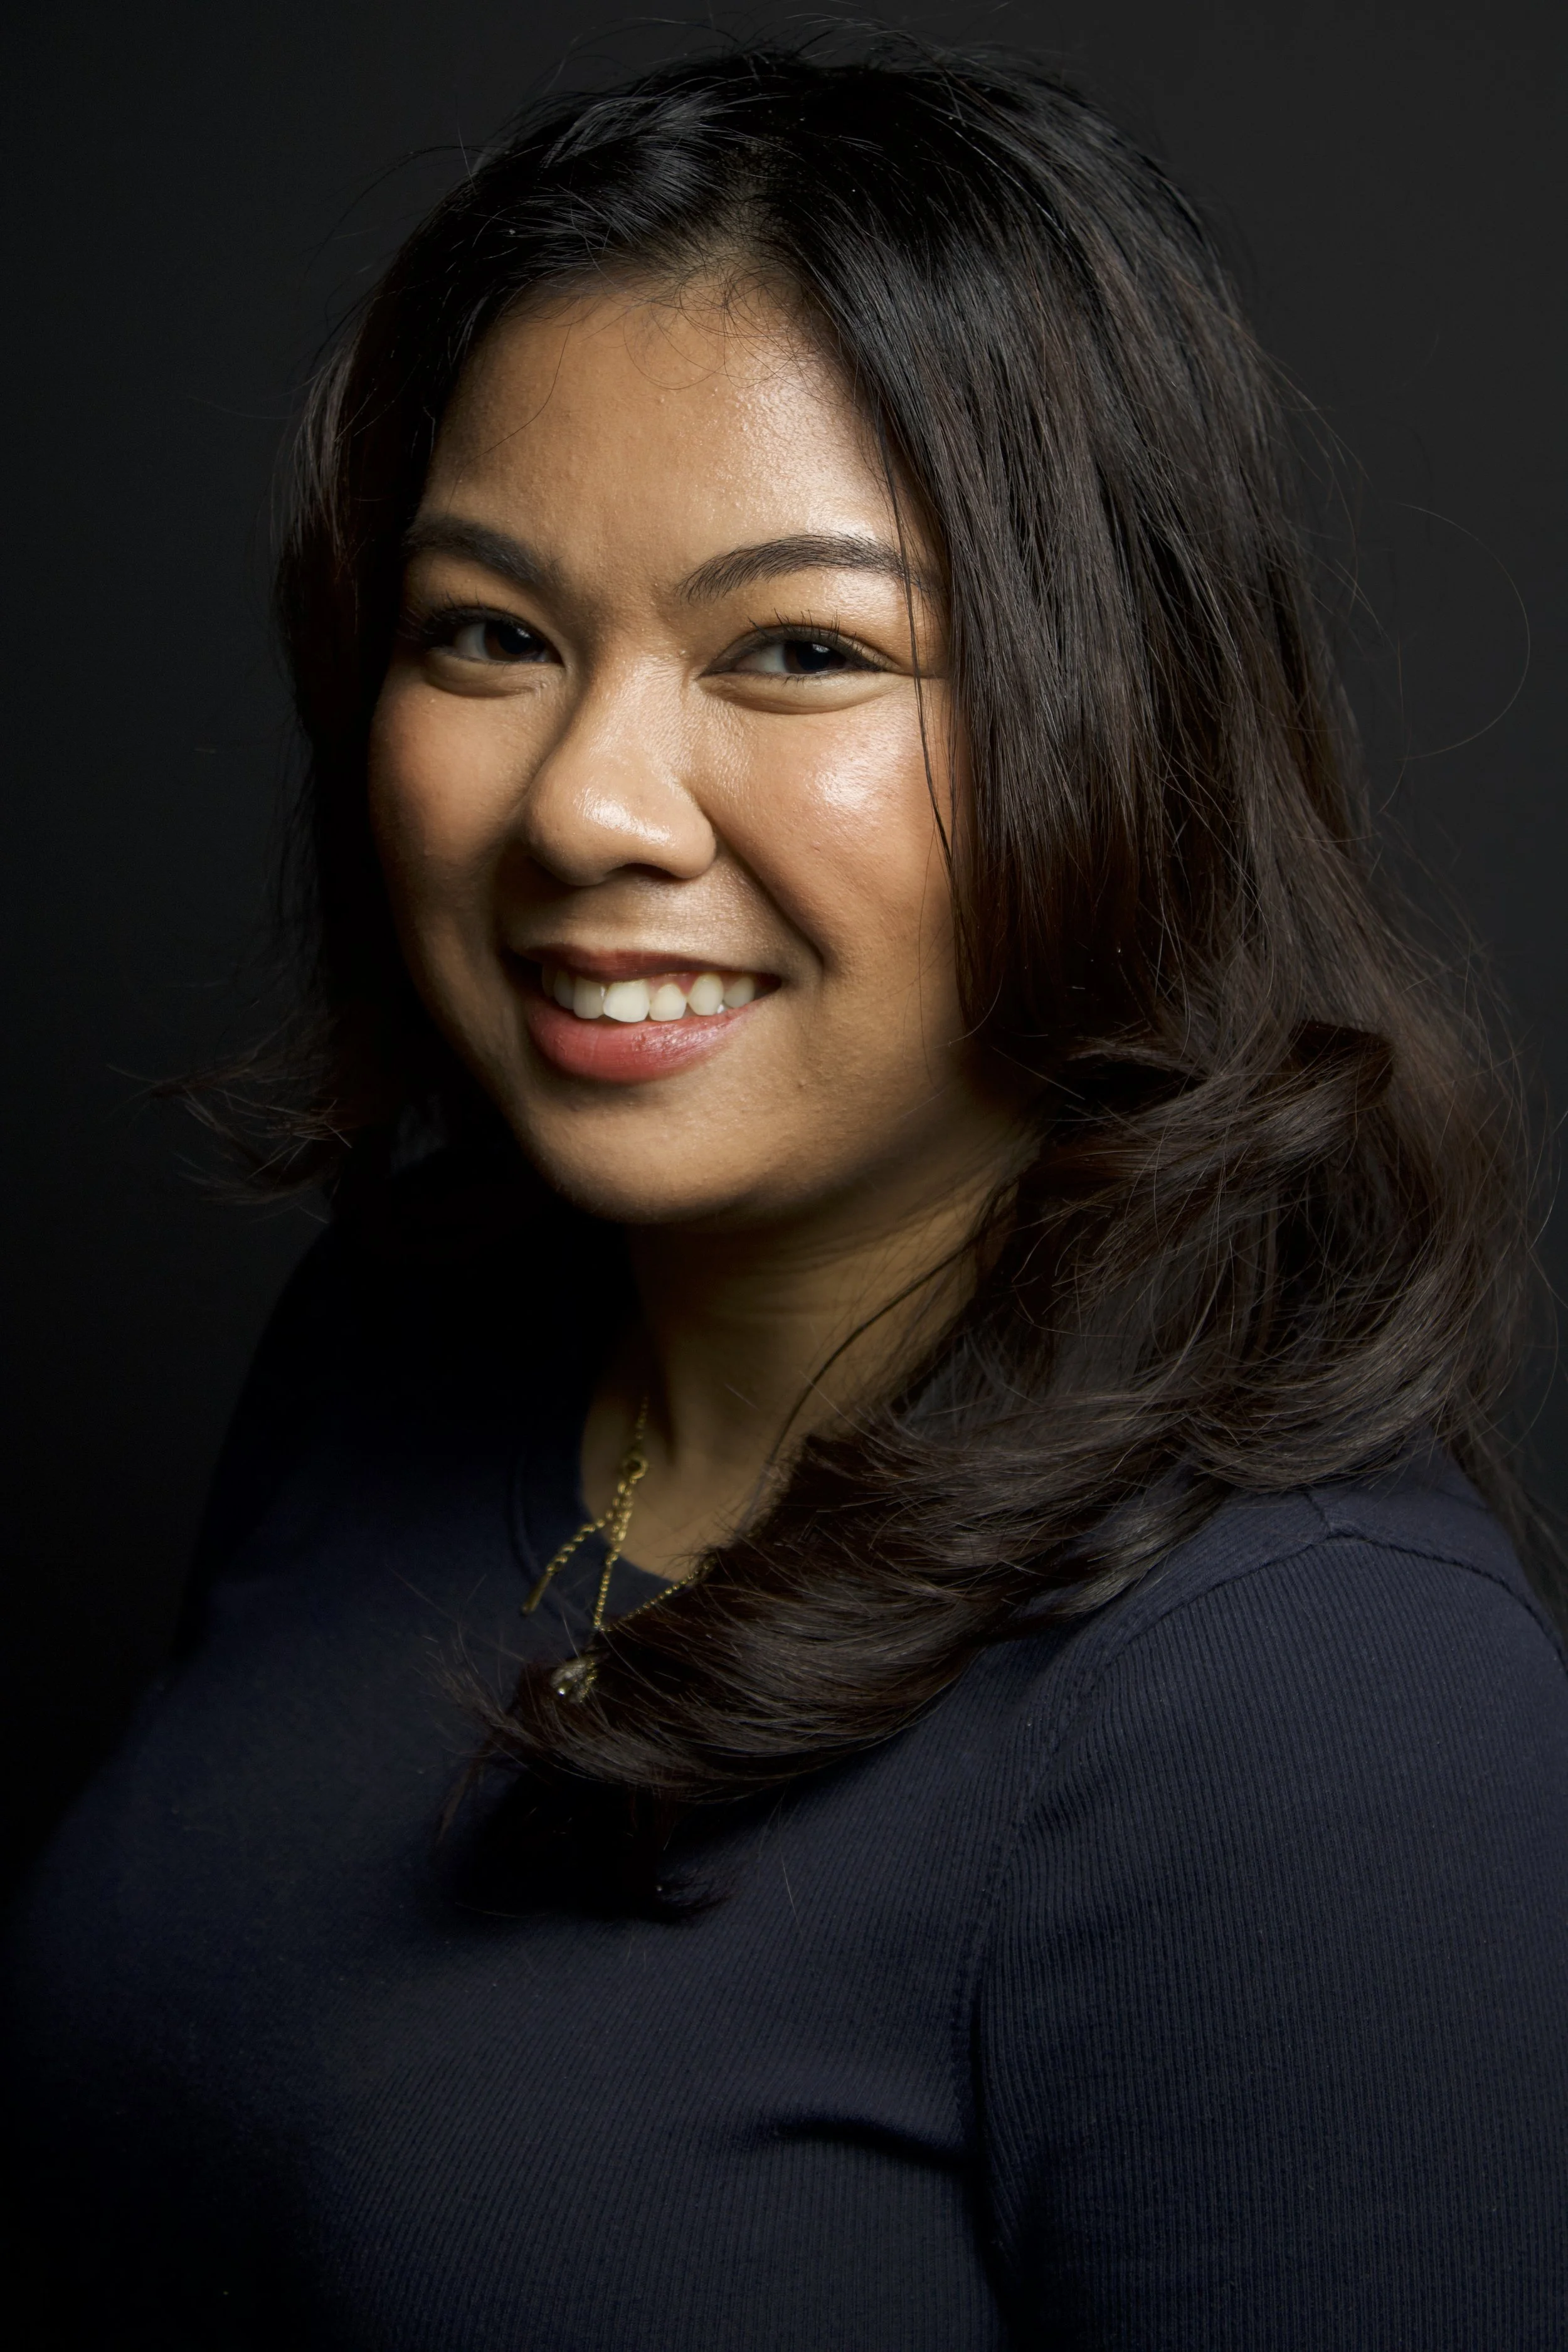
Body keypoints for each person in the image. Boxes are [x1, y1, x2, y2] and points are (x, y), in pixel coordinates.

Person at [5, 38, 1565, 2349]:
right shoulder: (398, 1337)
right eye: (491, 634)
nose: (588, 806)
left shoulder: (1323, 1710)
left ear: (1117, 730)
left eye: (803, 650)